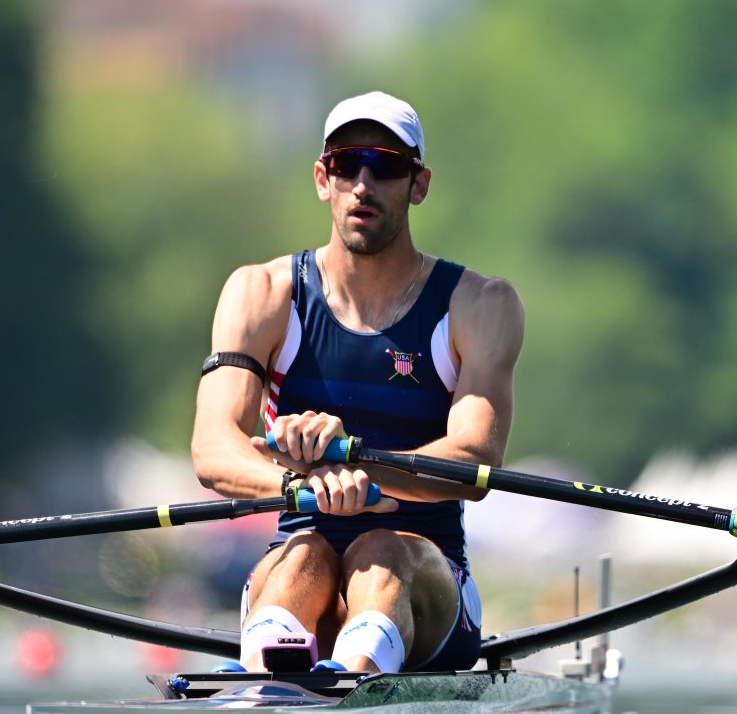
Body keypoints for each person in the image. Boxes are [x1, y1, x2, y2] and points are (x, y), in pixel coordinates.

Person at [192, 91, 524, 674]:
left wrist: (360, 470)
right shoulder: (261, 294)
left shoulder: (479, 305)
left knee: (379, 548)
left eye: (386, 165)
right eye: (347, 164)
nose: (363, 184)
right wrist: (300, 482)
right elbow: (213, 450)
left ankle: (350, 677)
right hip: (300, 559)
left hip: (429, 580)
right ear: (324, 178)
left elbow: (475, 461)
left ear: (418, 184)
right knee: (303, 558)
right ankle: (278, 681)